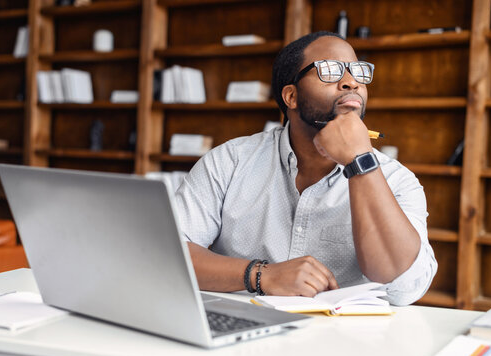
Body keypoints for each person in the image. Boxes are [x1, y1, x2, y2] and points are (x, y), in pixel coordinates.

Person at [175, 31, 437, 305]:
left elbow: (404, 288)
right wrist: (261, 275)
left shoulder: (397, 180)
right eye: (330, 71)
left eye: (358, 72)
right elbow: (169, 252)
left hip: (347, 340)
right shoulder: (229, 162)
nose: (351, 83)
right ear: (291, 96)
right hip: (244, 331)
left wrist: (359, 160)